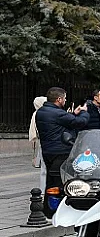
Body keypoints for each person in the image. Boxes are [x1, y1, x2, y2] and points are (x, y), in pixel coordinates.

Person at [36, 87, 89, 216]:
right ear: (59, 99)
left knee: (51, 180)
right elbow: (79, 123)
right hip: (60, 151)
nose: (65, 101)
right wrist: (84, 112)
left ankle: (48, 209)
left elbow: (61, 123)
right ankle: (57, 211)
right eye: (64, 98)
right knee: (59, 182)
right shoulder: (57, 113)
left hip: (48, 152)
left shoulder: (42, 111)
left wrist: (72, 114)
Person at [29, 96, 47, 192]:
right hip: (45, 142)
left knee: (44, 169)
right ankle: (44, 189)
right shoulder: (39, 114)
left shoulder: (37, 114)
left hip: (43, 143)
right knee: (45, 168)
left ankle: (44, 189)